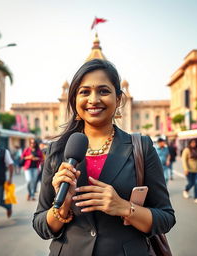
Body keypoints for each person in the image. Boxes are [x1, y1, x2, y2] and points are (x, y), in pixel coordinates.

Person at [33, 59, 175, 256]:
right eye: (84, 92)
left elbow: (166, 218)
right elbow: (41, 225)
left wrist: (124, 207)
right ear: (74, 100)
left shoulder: (140, 147)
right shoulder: (58, 151)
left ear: (118, 99)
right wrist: (63, 205)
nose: (93, 99)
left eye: (103, 91)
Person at [181, 139, 197, 204]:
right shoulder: (186, 150)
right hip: (189, 170)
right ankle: (186, 190)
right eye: (192, 142)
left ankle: (196, 198)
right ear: (189, 143)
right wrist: (185, 169)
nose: (194, 144)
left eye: (195, 142)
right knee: (191, 183)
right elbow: (184, 160)